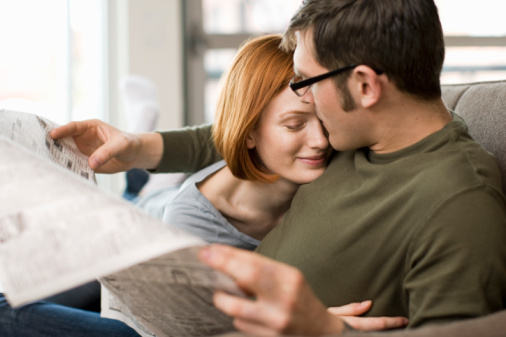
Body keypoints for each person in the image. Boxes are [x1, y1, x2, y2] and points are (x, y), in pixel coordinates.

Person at [48, 0, 506, 336]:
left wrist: (325, 333)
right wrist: (142, 146)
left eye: (307, 79)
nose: (304, 96)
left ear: (365, 85)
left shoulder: (458, 200)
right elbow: (247, 130)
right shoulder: (360, 133)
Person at [0, 34, 408, 337]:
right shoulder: (195, 223)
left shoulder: (322, 153)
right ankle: (135, 186)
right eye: (295, 124)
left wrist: (144, 145)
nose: (320, 141)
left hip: (183, 197)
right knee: (14, 300)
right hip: (148, 245)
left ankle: (137, 167)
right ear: (250, 132)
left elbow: (216, 136)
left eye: (323, 120)